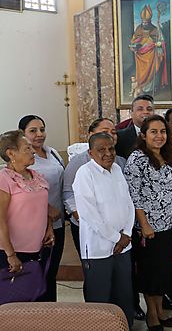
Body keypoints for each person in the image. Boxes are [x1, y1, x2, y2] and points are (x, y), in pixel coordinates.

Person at [124, 115, 172, 330]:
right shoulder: (137, 159)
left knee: (163, 270)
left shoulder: (167, 156)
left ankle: (161, 310)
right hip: (148, 228)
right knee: (150, 272)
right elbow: (133, 195)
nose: (159, 136)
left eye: (162, 131)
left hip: (167, 225)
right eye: (153, 132)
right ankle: (152, 314)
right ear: (143, 135)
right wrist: (144, 224)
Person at [72, 132, 135, 327]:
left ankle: (124, 326)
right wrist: (117, 237)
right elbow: (89, 214)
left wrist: (127, 233)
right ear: (91, 153)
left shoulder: (116, 169)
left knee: (124, 292)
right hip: (98, 248)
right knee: (99, 294)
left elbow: (128, 203)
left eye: (111, 148)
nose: (108, 153)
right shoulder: (84, 173)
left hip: (123, 245)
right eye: (101, 150)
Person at [0, 130, 54, 297]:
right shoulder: (4, 179)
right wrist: (11, 255)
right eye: (27, 148)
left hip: (38, 248)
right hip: (12, 251)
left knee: (36, 293)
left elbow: (43, 206)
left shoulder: (35, 176)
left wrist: (49, 227)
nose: (32, 151)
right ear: (11, 153)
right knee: (14, 300)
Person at [63, 118, 126, 257]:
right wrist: (81, 217)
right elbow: (68, 193)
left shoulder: (120, 162)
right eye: (105, 131)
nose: (110, 135)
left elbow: (125, 197)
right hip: (89, 227)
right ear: (91, 135)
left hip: (117, 229)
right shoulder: (79, 162)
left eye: (113, 132)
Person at [20, 114, 65, 302]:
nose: (39, 134)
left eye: (42, 129)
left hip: (58, 223)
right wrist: (46, 209)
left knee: (51, 271)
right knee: (36, 273)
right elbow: (23, 191)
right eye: (33, 131)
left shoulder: (52, 152)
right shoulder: (24, 159)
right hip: (37, 225)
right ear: (22, 134)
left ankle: (50, 312)